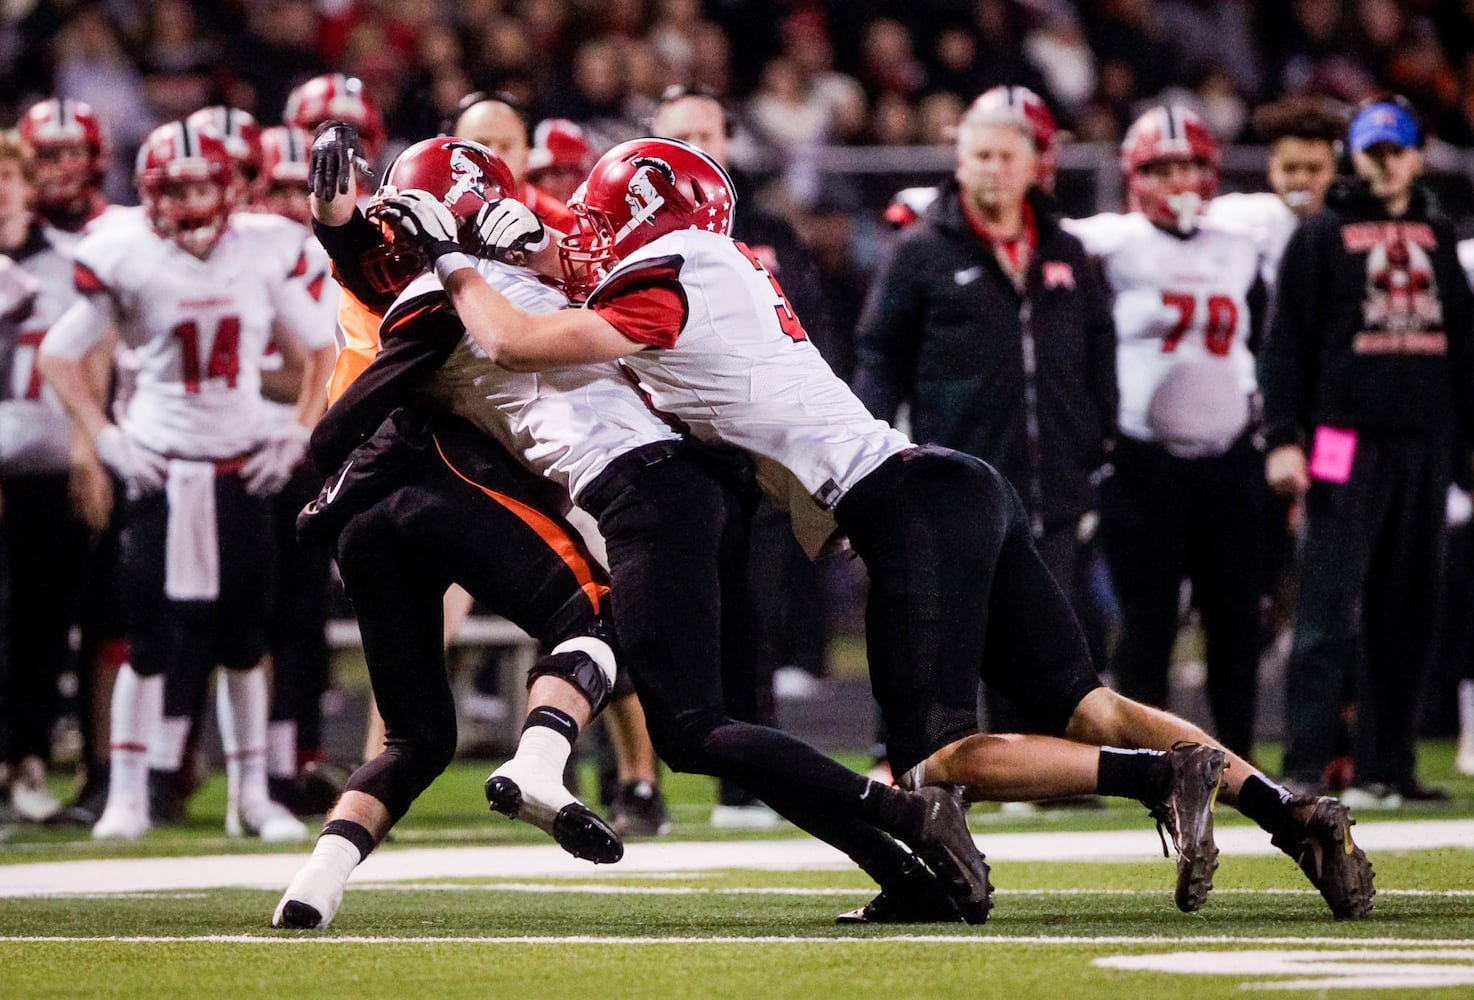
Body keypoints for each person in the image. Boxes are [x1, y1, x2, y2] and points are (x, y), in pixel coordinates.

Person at [459, 136, 1376, 922]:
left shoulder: (669, 279)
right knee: (1086, 705)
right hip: (944, 485)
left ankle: (1152, 777)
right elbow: (576, 266)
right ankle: (1288, 811)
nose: (587, 234)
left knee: (938, 762)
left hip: (902, 505)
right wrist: (527, 233)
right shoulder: (710, 266)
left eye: (601, 216)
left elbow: (515, 341)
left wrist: (454, 261)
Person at [278, 134, 997, 930]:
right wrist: (348, 230)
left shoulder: (449, 294)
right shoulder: (536, 274)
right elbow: (444, 274)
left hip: (645, 489)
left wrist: (326, 501)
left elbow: (339, 427)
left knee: (691, 726)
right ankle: (904, 869)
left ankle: (908, 820)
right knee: (696, 717)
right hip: (679, 481)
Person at [38, 120, 336, 842]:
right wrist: (106, 437)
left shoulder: (263, 248)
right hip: (162, 467)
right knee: (150, 638)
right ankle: (129, 794)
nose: (193, 201)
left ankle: (252, 796)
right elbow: (58, 354)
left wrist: (296, 431)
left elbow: (322, 349)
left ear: (227, 189)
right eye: (178, 189)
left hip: (239, 464)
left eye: (203, 185)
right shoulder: (126, 253)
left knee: (244, 637)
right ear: (151, 195)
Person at [854, 95, 1116, 681]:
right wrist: (865, 452)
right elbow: (880, 355)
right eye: (981, 156)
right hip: (958, 483)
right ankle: (929, 764)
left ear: (1030, 166)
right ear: (960, 164)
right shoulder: (919, 252)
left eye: (1006, 155)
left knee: (1045, 657)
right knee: (947, 645)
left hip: (1054, 489)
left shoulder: (1066, 250)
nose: (994, 167)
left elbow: (1100, 347)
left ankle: (1044, 771)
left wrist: (1098, 434)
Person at [1261, 97, 1474, 809]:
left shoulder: (1440, 235)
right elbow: (1285, 344)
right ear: (1354, 154)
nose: (1385, 163)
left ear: (1416, 155)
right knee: (1325, 603)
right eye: (1373, 150)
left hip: (1424, 442)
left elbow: (1466, 353)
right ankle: (1304, 766)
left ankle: (1390, 764)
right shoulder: (1320, 235)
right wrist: (1284, 438)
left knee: (1410, 608)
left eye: (1397, 150)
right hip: (1340, 440)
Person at [651, 84, 834, 828]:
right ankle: (636, 783)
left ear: (729, 141)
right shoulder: (630, 237)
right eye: (678, 135)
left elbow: (813, 334)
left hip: (759, 449)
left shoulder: (765, 231)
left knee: (753, 613)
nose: (696, 146)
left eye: (706, 132)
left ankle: (749, 781)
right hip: (668, 450)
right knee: (659, 612)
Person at [1064, 106, 1266, 762]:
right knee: (1146, 623)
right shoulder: (1114, 239)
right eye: (1161, 167)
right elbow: (1030, 228)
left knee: (1236, 622)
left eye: (1188, 165)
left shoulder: (1241, 235)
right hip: (1143, 459)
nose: (1177, 179)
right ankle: (1148, 764)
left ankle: (1238, 764)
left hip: (1229, 457)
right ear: (1135, 174)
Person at [0, 129, 114, 822]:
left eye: (9, 178)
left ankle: (32, 760)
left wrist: (86, 442)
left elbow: (95, 352)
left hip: (45, 466)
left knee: (43, 623)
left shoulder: (72, 261)